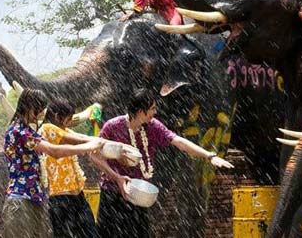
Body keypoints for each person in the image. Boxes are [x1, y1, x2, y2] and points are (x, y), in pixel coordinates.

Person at [92, 88, 234, 238]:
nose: (155, 112)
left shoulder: (153, 126)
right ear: (141, 111)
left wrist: (209, 156)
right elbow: (94, 156)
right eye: (152, 108)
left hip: (137, 196)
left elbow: (178, 141)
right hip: (112, 195)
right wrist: (117, 177)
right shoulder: (113, 126)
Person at [2, 89, 105, 238]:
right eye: (41, 110)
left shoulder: (28, 131)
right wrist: (90, 146)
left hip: (33, 198)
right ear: (31, 108)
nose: (43, 114)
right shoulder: (20, 132)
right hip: (20, 200)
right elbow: (54, 151)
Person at [39, 101, 102, 238]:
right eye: (68, 119)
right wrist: (96, 144)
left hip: (78, 195)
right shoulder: (47, 128)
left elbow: (83, 137)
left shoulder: (65, 130)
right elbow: (80, 141)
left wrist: (106, 143)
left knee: (90, 233)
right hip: (60, 197)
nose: (69, 123)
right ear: (57, 117)